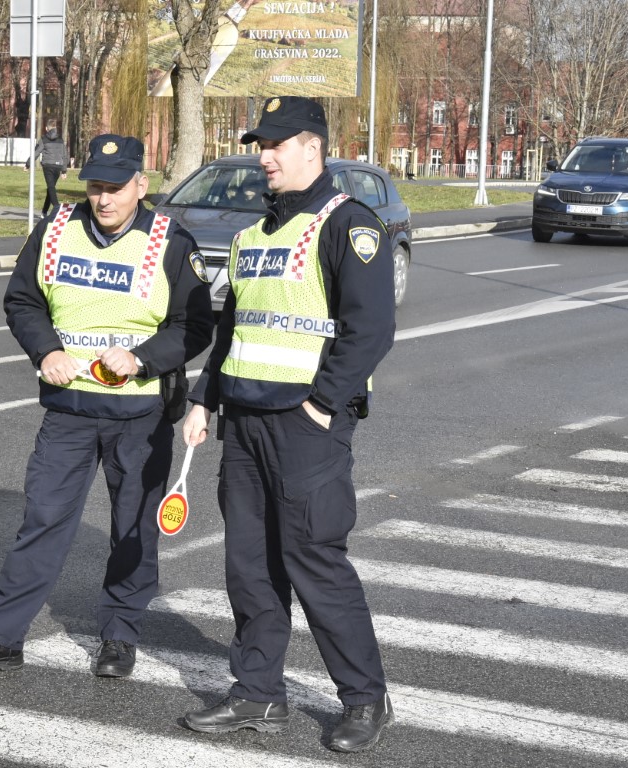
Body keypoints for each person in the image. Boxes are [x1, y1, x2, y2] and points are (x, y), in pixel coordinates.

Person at [0, 134, 215, 680]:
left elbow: (196, 324)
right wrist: (46, 350)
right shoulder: (58, 229)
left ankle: (118, 636)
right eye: (95, 186)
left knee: (133, 528)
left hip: (139, 414)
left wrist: (140, 358)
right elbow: (22, 299)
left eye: (115, 187)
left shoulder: (171, 241)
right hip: (68, 411)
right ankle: (1, 638)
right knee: (42, 520)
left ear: (142, 184)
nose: (104, 198)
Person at [179, 96, 397, 753]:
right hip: (243, 424)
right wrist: (203, 399)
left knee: (313, 561)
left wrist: (321, 404)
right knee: (248, 566)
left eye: (275, 145)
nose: (262, 156)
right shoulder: (253, 235)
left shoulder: (346, 223)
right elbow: (233, 329)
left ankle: (364, 699)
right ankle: (256, 694)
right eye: (259, 145)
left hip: (305, 426)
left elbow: (370, 330)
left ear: (312, 147)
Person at [28, 126, 70, 215]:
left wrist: (27, 164)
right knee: (51, 188)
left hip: (47, 166)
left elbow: (36, 152)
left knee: (51, 188)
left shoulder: (43, 139)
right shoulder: (60, 140)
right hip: (58, 166)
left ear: (46, 128)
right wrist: (64, 170)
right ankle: (44, 211)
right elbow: (65, 155)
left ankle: (57, 208)